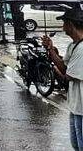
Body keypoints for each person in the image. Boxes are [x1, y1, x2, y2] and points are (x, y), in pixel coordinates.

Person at [42, 8, 83, 150]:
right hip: (76, 106)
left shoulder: (82, 48)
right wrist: (50, 49)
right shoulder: (73, 46)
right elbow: (64, 64)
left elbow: (67, 73)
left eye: (64, 23)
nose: (62, 27)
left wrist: (56, 68)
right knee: (76, 145)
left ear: (71, 24)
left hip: (82, 108)